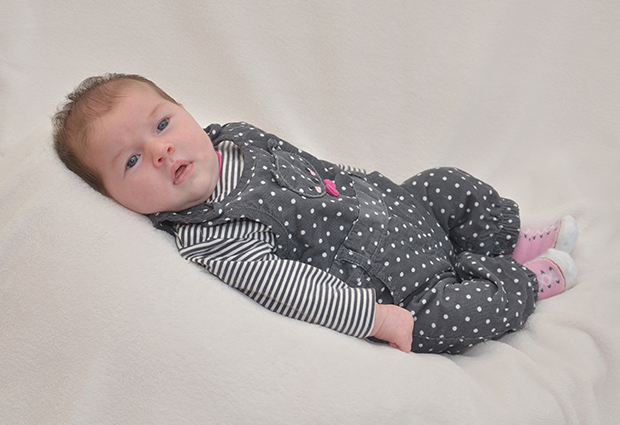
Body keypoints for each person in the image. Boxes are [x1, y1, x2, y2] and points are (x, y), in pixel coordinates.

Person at [52, 73, 579, 354]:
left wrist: (370, 184)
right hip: (396, 285)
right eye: (131, 161)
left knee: (444, 183)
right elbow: (293, 289)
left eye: (162, 124)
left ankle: (503, 241)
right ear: (117, 201)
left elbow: (313, 166)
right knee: (451, 319)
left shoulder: (236, 139)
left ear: (185, 110)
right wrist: (376, 318)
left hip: (392, 210)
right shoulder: (213, 233)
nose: (160, 150)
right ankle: (519, 283)